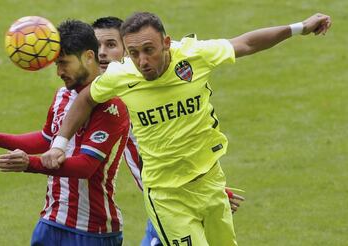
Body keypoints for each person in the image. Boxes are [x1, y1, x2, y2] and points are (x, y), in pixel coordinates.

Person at [41, 12, 332, 245]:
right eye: (134, 53)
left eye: (149, 50)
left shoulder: (194, 56)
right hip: (168, 196)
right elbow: (85, 99)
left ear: (167, 43)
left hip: (210, 183)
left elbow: (246, 43)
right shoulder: (121, 75)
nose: (143, 61)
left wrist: (301, 27)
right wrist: (59, 145)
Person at [0, 19, 129, 245]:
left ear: (89, 57)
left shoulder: (112, 105)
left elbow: (86, 166)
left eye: (64, 63)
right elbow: (47, 139)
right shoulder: (63, 95)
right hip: (51, 221)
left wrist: (29, 164)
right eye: (56, 64)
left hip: (91, 230)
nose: (58, 71)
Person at [92, 16, 245, 246]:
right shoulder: (112, 90)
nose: (102, 53)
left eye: (110, 45)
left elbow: (177, 141)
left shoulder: (131, 89)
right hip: (164, 198)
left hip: (186, 190)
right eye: (97, 47)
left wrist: (206, 187)